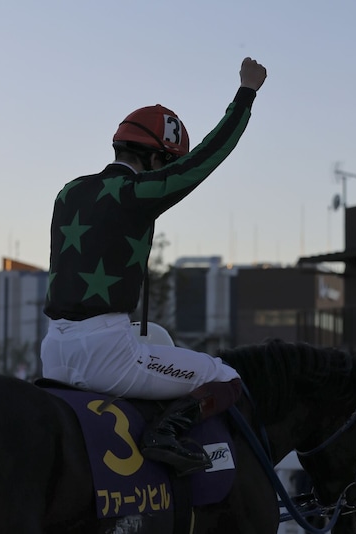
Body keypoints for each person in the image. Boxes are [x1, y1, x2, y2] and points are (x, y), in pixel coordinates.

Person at [41, 57, 267, 475]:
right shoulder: (137, 192)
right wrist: (246, 93)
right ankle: (164, 434)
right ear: (157, 158)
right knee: (225, 378)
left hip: (53, 350)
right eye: (167, 163)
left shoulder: (68, 192)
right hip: (106, 353)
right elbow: (205, 158)